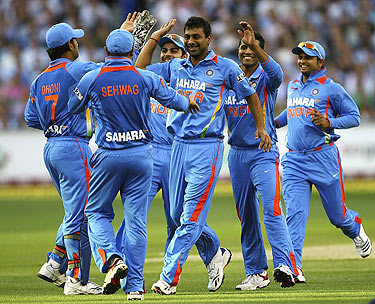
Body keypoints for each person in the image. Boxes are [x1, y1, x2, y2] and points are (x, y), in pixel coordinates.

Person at [135, 16, 270, 295]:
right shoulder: (175, 66)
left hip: (207, 148)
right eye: (188, 36)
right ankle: (216, 254)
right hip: (177, 146)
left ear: (209, 39)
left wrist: (260, 127)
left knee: (190, 218)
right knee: (176, 216)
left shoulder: (226, 68)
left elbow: (252, 96)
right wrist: (155, 37)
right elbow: (140, 69)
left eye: (196, 37)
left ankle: (168, 278)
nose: (191, 41)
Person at [68, 28, 199, 301]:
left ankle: (112, 259)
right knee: (137, 222)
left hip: (107, 155)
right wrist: (190, 104)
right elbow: (174, 100)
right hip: (142, 155)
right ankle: (136, 287)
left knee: (96, 212)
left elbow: (73, 107)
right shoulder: (146, 77)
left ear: (107, 53)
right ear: (131, 53)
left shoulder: (93, 78)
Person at [274, 40, 372, 283]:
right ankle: (293, 267)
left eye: (308, 57)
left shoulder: (331, 88)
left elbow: (354, 117)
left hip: (323, 158)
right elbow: (291, 113)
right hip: (294, 159)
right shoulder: (294, 85)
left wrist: (330, 123)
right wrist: (272, 123)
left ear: (320, 62)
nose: (302, 61)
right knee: (294, 215)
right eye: (300, 56)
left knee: (337, 217)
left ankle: (355, 227)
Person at [24, 22, 103, 295]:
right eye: (76, 41)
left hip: (51, 148)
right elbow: (110, 71)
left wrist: (54, 124)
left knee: (76, 210)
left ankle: (55, 261)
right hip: (74, 146)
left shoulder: (38, 79)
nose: (78, 44)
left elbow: (30, 118)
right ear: (70, 45)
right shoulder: (76, 68)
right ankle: (76, 279)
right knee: (82, 213)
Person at [224, 21, 297, 289]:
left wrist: (255, 42)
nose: (247, 51)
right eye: (243, 47)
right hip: (237, 154)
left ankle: (286, 266)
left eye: (252, 48)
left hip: (263, 153)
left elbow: (277, 72)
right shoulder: (230, 77)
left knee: (272, 209)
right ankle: (256, 272)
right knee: (247, 216)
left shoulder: (267, 79)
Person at [115, 33, 188, 254]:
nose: (167, 55)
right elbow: (137, 67)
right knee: (133, 215)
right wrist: (153, 40)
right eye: (164, 51)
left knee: (177, 220)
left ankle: (170, 272)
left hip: (178, 153)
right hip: (152, 152)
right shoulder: (151, 78)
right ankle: (118, 265)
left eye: (173, 51)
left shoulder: (188, 80)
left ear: (184, 56)